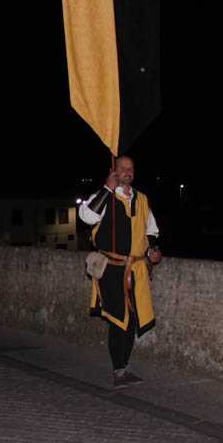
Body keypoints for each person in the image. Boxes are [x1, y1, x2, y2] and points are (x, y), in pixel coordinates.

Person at [77, 155, 162, 389]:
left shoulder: (142, 199)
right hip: (112, 269)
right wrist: (107, 189)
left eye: (130, 168)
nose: (127, 171)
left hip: (136, 269)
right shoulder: (104, 197)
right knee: (119, 320)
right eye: (122, 167)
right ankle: (119, 370)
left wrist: (152, 251)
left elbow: (151, 231)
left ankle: (124, 366)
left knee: (133, 319)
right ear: (114, 170)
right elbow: (86, 217)